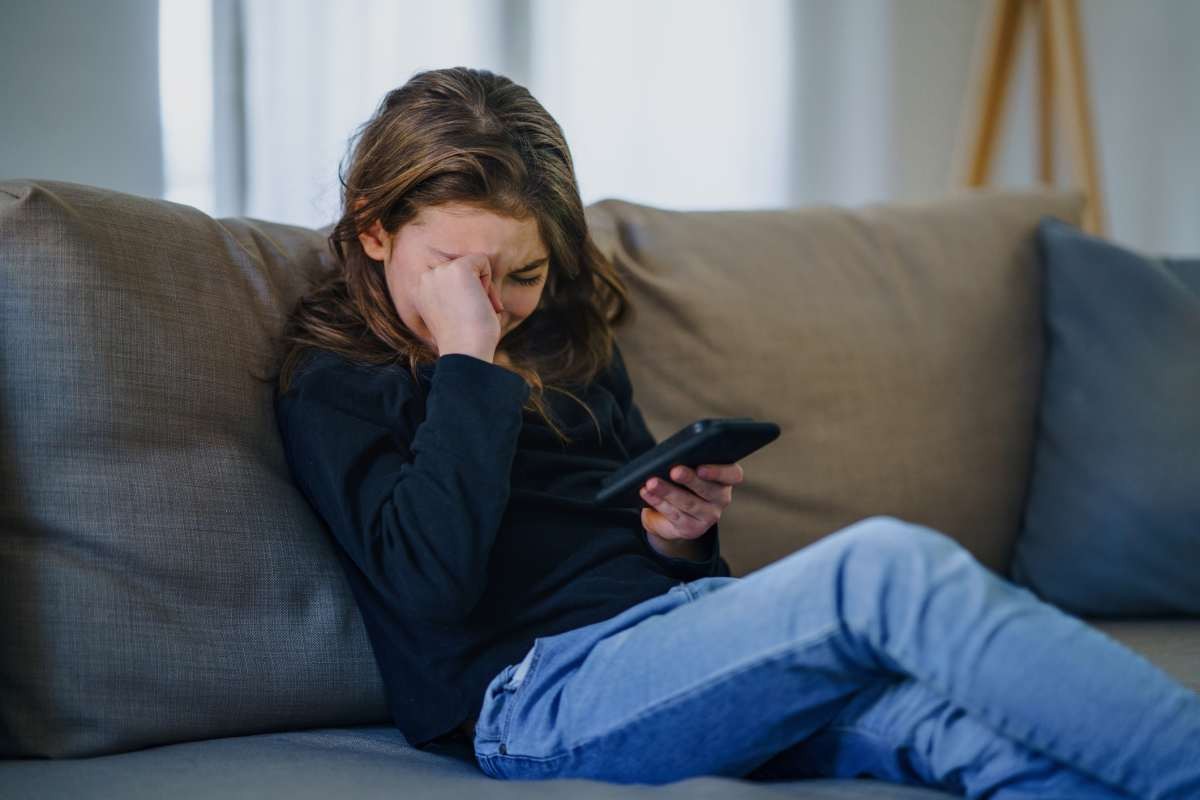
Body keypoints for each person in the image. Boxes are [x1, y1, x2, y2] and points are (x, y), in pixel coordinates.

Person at [271, 66, 1199, 799]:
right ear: (374, 229)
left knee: (955, 729)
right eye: (456, 271)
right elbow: (430, 587)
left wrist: (675, 537)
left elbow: (636, 558)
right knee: (885, 573)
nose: (497, 305)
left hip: (676, 639)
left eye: (523, 275)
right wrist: (467, 364)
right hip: (537, 697)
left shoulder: (564, 340)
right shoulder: (336, 381)